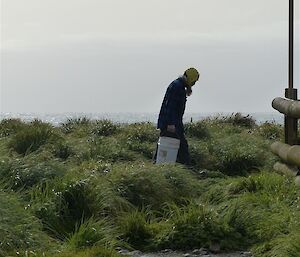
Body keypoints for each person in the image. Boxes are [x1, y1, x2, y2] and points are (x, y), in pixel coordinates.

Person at [154, 67, 200, 165]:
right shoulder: (177, 86)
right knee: (182, 148)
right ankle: (188, 171)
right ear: (190, 79)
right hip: (171, 124)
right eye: (193, 82)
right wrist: (170, 124)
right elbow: (170, 105)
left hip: (172, 123)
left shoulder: (178, 85)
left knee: (163, 148)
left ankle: (157, 166)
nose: (193, 85)